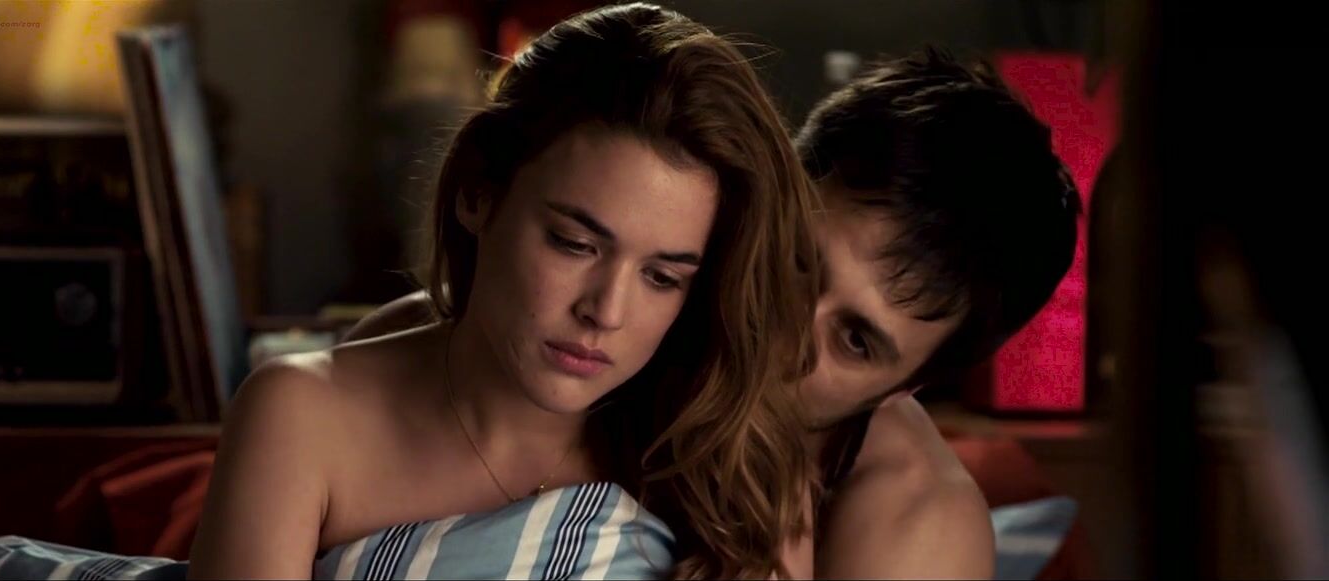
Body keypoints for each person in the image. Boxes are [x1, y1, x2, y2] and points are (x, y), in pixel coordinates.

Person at [349, 47, 1082, 579]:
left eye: (855, 341)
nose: (784, 325)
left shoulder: (913, 529)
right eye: (796, 261)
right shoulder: (465, 350)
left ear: (904, 387)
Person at [187, 4, 820, 580]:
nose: (605, 312)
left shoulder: (729, 467)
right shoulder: (303, 419)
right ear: (478, 193)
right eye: (574, 243)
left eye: (662, 277)